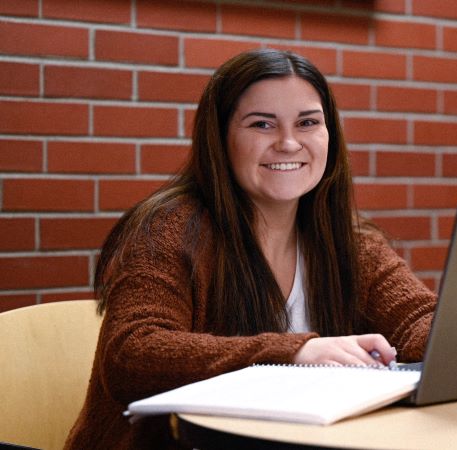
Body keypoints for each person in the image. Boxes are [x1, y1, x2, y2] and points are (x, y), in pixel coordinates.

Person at [65, 49, 437, 449]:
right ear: (221, 139)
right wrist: (295, 353)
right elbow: (131, 354)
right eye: (262, 124)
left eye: (308, 122)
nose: (289, 143)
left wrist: (452, 337)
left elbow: (419, 317)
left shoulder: (349, 241)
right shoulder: (170, 230)